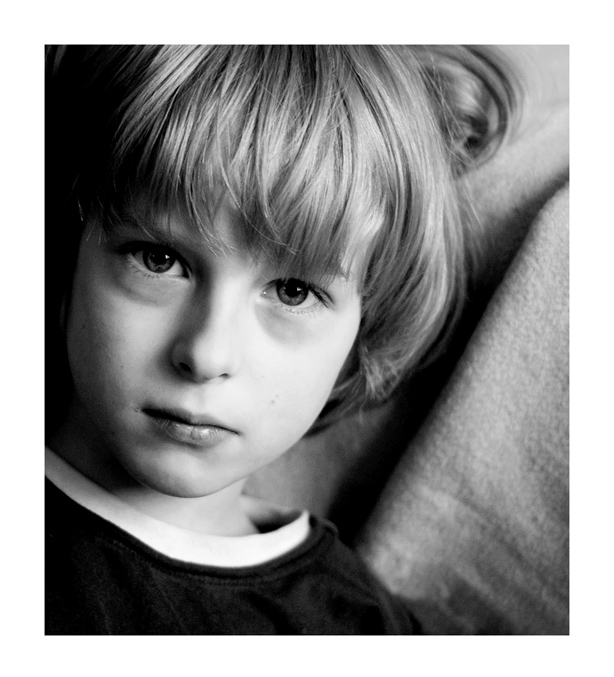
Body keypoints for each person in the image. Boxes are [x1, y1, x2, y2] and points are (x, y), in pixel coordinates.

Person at [45, 45, 521, 634]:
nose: (207, 354)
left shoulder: (358, 625)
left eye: (293, 292)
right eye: (159, 259)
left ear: (364, 332)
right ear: (65, 249)